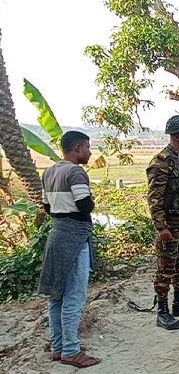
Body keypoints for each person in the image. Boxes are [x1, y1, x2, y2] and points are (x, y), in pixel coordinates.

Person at [39, 131, 101, 368]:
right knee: (74, 297)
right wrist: (91, 202)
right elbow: (85, 205)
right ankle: (72, 350)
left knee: (57, 296)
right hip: (74, 237)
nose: (89, 152)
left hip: (56, 234)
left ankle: (59, 347)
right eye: (87, 147)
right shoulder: (75, 172)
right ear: (77, 148)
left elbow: (46, 206)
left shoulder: (49, 171)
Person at [146, 115, 179, 331]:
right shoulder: (161, 161)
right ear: (175, 135)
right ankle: (162, 311)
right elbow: (154, 197)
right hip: (169, 224)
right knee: (165, 267)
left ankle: (178, 303)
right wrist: (160, 227)